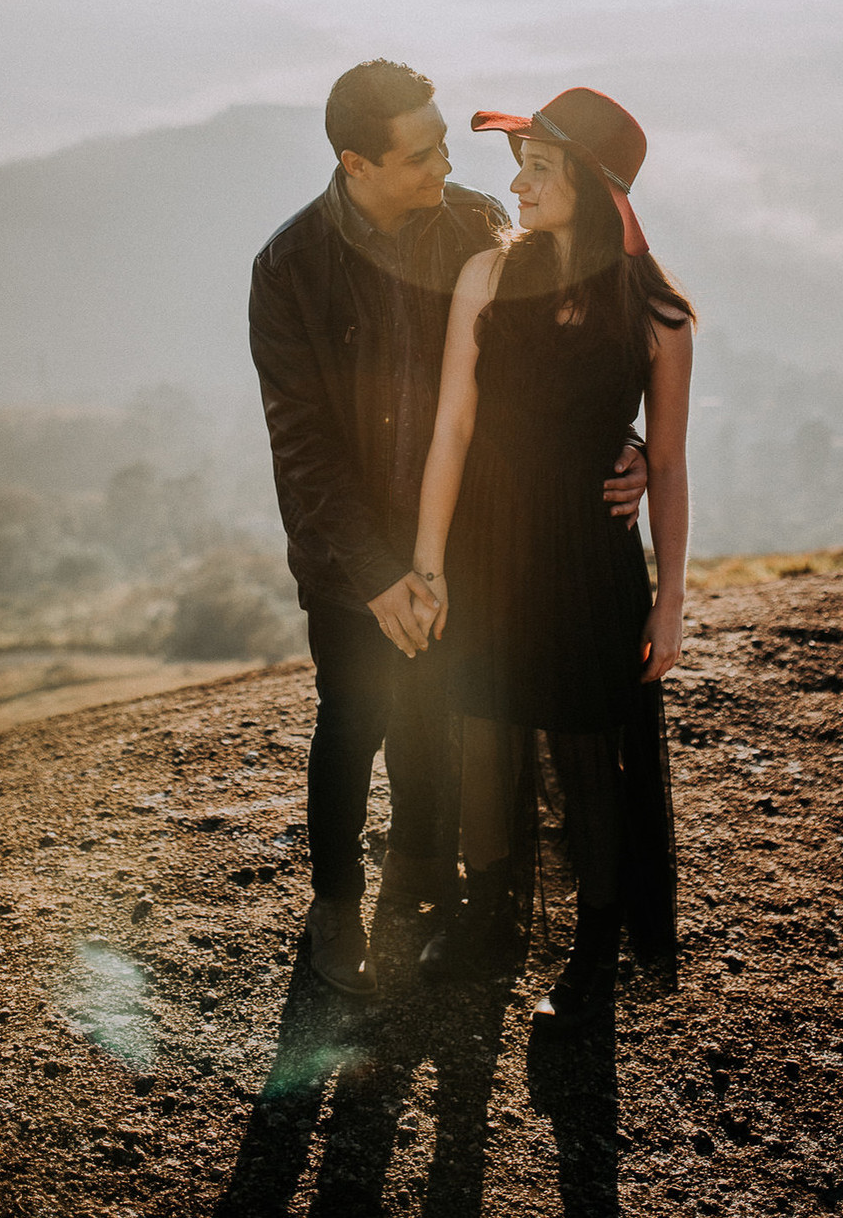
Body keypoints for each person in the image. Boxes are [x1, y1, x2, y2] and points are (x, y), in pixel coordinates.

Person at [248, 61, 649, 997]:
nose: (446, 167)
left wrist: (622, 441)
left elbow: (559, 353)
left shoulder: (474, 227)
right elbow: (301, 445)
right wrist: (382, 573)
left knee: (444, 713)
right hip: (352, 554)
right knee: (354, 717)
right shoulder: (290, 268)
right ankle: (336, 904)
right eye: (422, 154)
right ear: (357, 163)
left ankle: (421, 885)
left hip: (468, 540)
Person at [411, 86, 693, 1030]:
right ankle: (487, 917)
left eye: (538, 172)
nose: (520, 190)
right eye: (519, 171)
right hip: (489, 545)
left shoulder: (659, 316)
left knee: (588, 752)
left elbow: (673, 465)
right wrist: (430, 561)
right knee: (485, 730)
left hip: (591, 561)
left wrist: (672, 604)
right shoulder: (488, 279)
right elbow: (452, 428)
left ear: (589, 186)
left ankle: (594, 951)